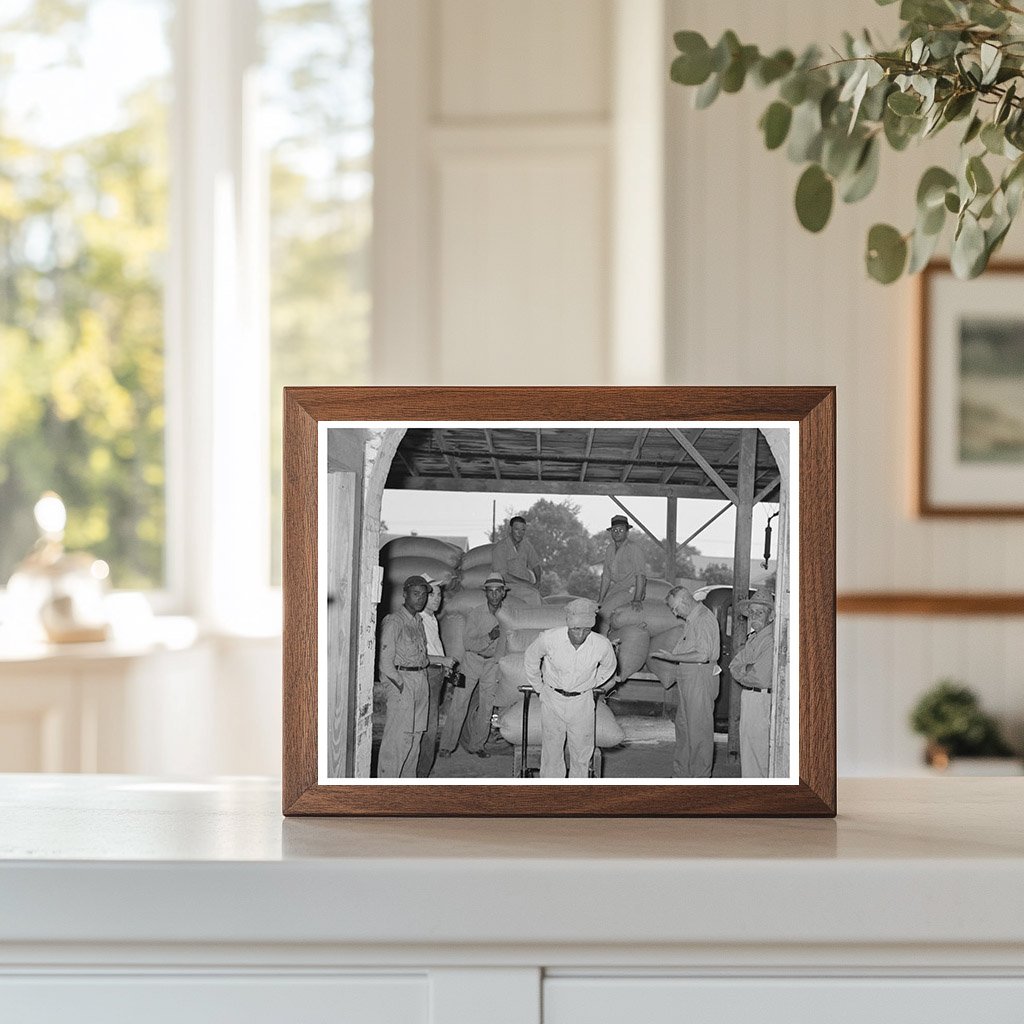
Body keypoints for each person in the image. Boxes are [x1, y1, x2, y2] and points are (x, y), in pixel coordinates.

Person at [523, 598, 617, 778]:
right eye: (576, 629)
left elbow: (609, 668)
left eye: (587, 630)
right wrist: (539, 688)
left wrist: (590, 683)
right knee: (551, 751)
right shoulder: (550, 638)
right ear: (568, 624)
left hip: (582, 702)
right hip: (552, 699)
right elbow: (530, 658)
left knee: (582, 753)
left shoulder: (601, 644)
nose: (581, 635)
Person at [650, 585, 721, 778]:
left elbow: (703, 654)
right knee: (684, 728)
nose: (675, 613)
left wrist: (672, 658)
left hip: (699, 677)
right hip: (688, 677)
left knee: (699, 732)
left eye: (675, 608)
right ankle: (682, 775)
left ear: (685, 601)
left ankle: (699, 778)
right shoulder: (692, 620)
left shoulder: (704, 619)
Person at [437, 573, 507, 759]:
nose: (494, 595)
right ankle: (447, 746)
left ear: (503, 593)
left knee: (487, 706)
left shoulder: (508, 615)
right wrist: (490, 637)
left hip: (493, 665)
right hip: (471, 662)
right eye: (490, 591)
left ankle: (477, 745)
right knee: (459, 703)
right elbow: (468, 644)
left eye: (497, 591)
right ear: (485, 593)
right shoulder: (475, 613)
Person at [377, 575, 431, 778]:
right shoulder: (394, 622)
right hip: (403, 681)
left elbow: (421, 655)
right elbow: (385, 661)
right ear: (405, 594)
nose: (421, 599)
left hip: (420, 680)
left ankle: (407, 787)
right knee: (398, 740)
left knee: (415, 738)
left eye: (424, 595)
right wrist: (399, 685)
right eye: (416, 594)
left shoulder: (418, 621)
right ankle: (386, 788)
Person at [729, 586, 776, 778]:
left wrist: (746, 669)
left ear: (770, 616)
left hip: (760, 700)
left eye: (761, 612)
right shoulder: (755, 638)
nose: (755, 616)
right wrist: (747, 668)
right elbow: (734, 665)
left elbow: (761, 677)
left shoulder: (770, 640)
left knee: (758, 754)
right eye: (753, 612)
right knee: (749, 752)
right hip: (751, 697)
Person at [417, 577, 456, 777]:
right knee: (427, 729)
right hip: (426, 675)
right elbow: (416, 656)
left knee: (430, 727)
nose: (437, 598)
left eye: (439, 594)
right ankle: (420, 775)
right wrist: (443, 660)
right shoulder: (419, 619)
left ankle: (422, 772)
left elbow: (433, 647)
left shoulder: (432, 618)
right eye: (432, 594)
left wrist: (444, 665)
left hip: (436, 674)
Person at [597, 515, 647, 612]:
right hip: (617, 587)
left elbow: (640, 576)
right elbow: (606, 577)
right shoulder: (610, 549)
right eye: (615, 530)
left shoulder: (634, 548)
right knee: (600, 608)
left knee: (605, 611)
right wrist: (600, 599)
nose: (617, 533)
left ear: (627, 532)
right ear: (611, 532)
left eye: (621, 530)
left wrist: (637, 599)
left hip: (631, 588)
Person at [491, 515, 542, 606]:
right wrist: (527, 584)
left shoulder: (526, 545)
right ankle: (535, 619)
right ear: (510, 529)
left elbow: (536, 564)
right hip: (508, 587)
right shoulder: (500, 548)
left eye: (523, 530)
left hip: (526, 586)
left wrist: (538, 581)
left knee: (544, 602)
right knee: (533, 596)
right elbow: (503, 575)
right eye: (516, 529)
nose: (520, 533)